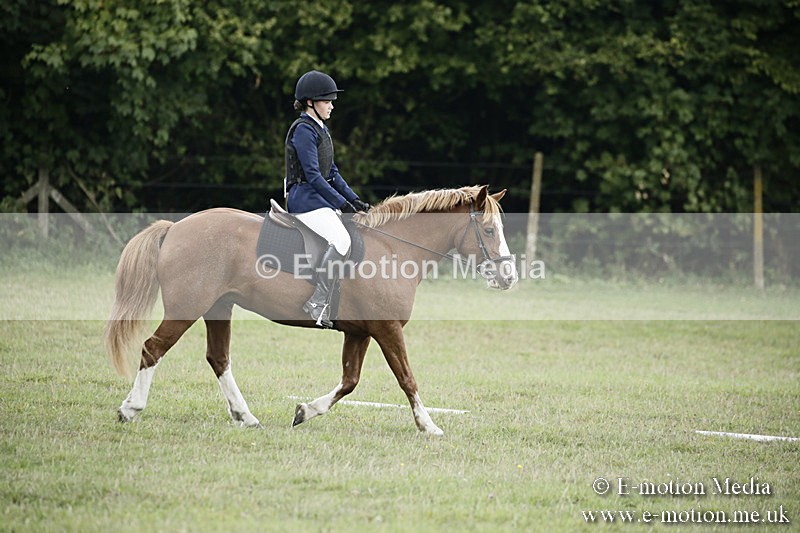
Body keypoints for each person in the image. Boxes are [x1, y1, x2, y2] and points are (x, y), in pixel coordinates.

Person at [284, 70, 370, 328]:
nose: (332, 105)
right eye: (326, 101)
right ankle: (317, 302)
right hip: (304, 200)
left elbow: (331, 172)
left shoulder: (320, 129)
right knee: (341, 238)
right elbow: (312, 175)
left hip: (317, 198)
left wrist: (355, 200)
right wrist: (340, 204)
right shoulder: (303, 130)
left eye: (332, 101)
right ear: (310, 102)